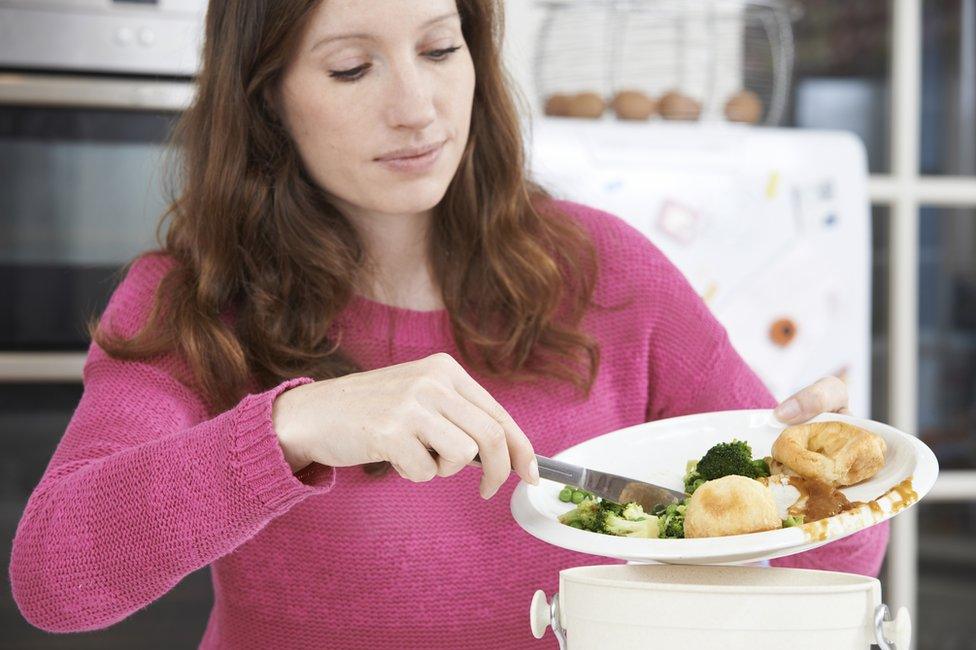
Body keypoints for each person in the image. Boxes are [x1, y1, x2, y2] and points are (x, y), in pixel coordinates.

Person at [9, 1, 888, 648]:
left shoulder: (606, 271)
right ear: (266, 97)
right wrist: (293, 425)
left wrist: (829, 481)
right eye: (353, 68)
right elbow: (55, 578)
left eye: (439, 48)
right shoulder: (190, 305)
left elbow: (822, 571)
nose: (418, 107)